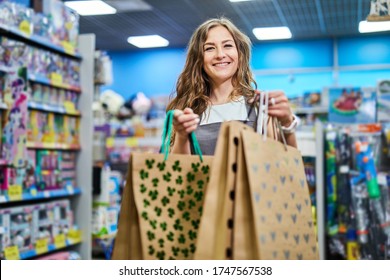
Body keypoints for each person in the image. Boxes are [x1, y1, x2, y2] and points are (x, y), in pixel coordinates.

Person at [166, 17, 298, 155]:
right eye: (210, 48)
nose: (220, 55)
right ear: (198, 58)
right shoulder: (188, 110)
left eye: (227, 45)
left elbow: (285, 165)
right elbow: (177, 170)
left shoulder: (260, 106)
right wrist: (182, 136)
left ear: (239, 54)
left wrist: (287, 125)